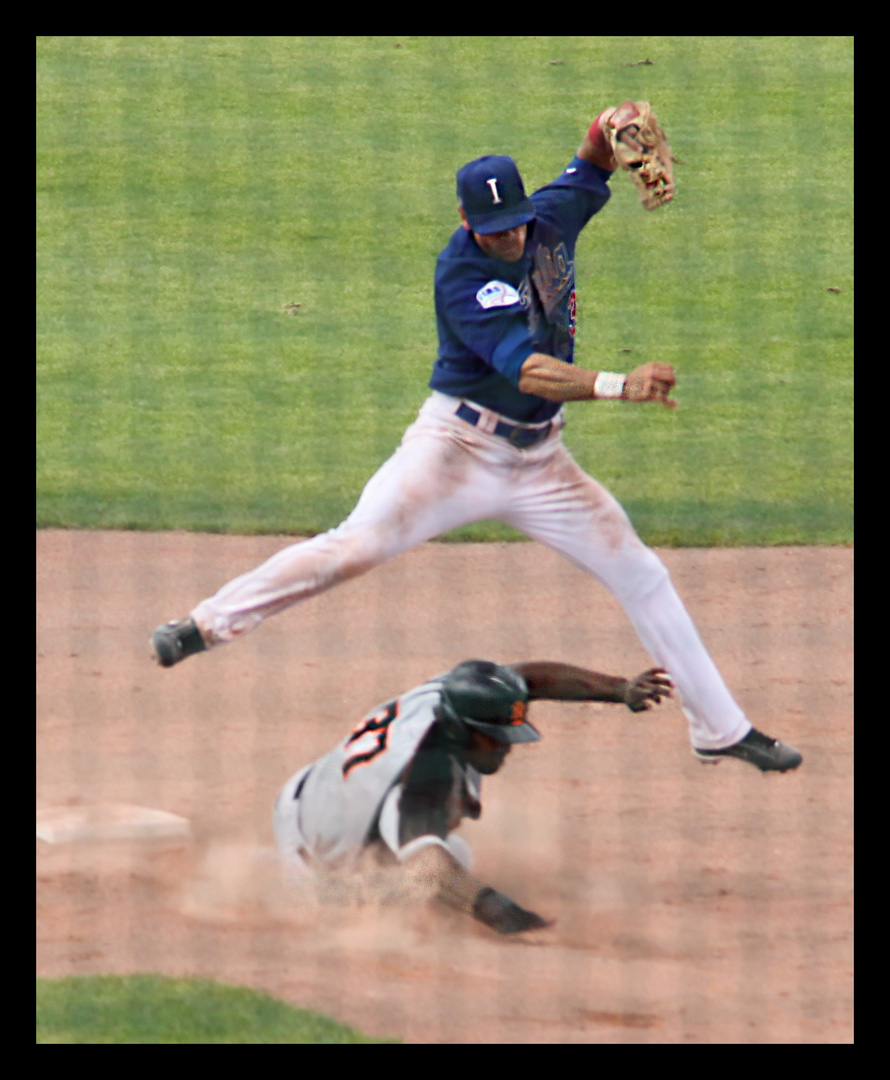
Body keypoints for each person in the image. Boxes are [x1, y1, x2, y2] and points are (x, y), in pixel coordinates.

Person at [151, 101, 802, 774]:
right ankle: (205, 625)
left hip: (544, 461)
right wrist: (618, 384)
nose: (508, 240)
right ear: (467, 222)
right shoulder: (462, 273)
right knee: (353, 547)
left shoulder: (550, 216)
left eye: (513, 225)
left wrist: (616, 118)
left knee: (643, 573)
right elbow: (530, 371)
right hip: (455, 453)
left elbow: (593, 157)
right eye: (491, 231)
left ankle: (720, 729)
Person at [273, 658, 675, 935]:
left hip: (311, 790)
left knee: (442, 850)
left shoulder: (450, 695)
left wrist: (619, 690)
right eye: (494, 738)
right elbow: (431, 868)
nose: (506, 747)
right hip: (317, 860)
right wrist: (500, 911)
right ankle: (287, 882)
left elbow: (526, 680)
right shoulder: (421, 779)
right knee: (449, 863)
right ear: (460, 729)